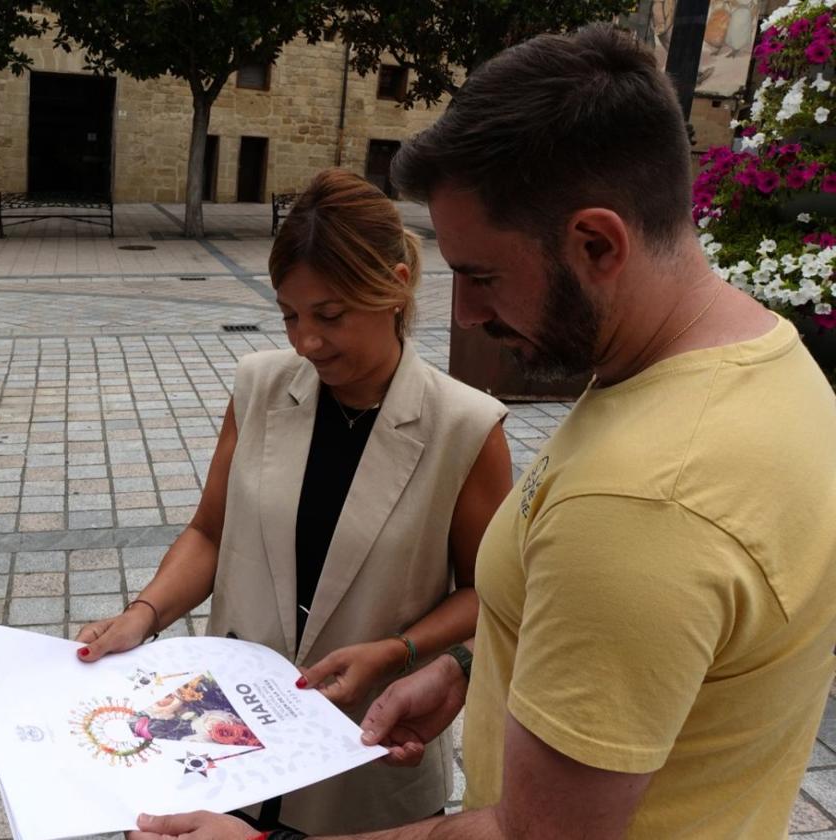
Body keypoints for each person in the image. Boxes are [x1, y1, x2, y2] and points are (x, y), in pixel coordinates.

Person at [129, 23, 836, 840]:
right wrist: (466, 669)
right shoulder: (770, 371)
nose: (460, 314)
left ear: (597, 243)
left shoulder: (640, 504)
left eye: (481, 275)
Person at [76, 167, 512, 833]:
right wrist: (144, 613)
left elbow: (490, 592)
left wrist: (398, 651)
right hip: (226, 732)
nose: (306, 341)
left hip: (366, 746)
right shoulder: (259, 386)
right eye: (289, 315)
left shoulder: (466, 426)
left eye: (330, 315)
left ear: (395, 289)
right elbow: (210, 533)